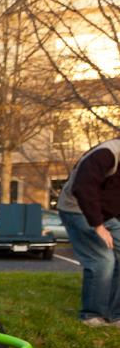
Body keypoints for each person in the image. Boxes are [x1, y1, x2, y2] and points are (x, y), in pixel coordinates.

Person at [56, 138, 120, 326]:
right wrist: (98, 226)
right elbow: (82, 187)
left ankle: (116, 315)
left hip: (102, 212)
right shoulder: (107, 153)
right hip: (76, 208)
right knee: (103, 260)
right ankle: (92, 315)